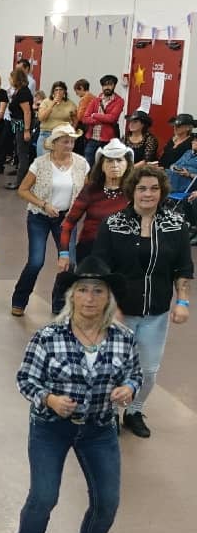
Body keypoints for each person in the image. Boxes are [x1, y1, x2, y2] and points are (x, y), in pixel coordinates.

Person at [13, 257, 141, 533]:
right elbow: (26, 379)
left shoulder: (122, 338)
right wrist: (50, 399)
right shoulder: (48, 336)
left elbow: (135, 374)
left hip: (99, 428)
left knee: (108, 499)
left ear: (108, 297)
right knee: (44, 495)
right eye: (82, 290)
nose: (89, 298)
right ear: (71, 296)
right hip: (50, 427)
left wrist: (128, 388)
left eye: (97, 291)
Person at [91, 165, 192, 437]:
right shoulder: (113, 224)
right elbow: (100, 268)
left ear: (162, 191)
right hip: (119, 312)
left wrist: (183, 301)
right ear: (132, 191)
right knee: (112, 367)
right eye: (142, 188)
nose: (148, 194)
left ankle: (134, 410)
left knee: (148, 370)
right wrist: (109, 306)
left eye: (154, 189)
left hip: (156, 312)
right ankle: (109, 413)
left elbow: (183, 267)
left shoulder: (176, 225)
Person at [10, 125, 89, 316]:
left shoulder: (81, 164)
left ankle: (59, 304)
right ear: (54, 144)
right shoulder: (40, 163)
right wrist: (43, 204)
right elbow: (23, 190)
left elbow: (87, 192)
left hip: (66, 220)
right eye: (65, 141)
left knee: (68, 263)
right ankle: (19, 300)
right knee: (36, 261)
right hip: (39, 217)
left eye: (72, 141)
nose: (69, 145)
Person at [53, 139, 133, 314]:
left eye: (120, 160)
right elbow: (68, 223)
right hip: (91, 253)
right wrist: (65, 254)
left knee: (118, 303)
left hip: (124, 254)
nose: (115, 165)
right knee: (90, 303)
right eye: (110, 161)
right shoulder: (91, 190)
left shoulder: (133, 192)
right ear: (101, 165)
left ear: (128, 164)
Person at [82, 75, 124, 163]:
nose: (107, 87)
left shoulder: (119, 101)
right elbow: (85, 119)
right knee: (88, 165)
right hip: (92, 139)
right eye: (104, 85)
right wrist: (100, 119)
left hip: (108, 140)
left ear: (114, 86)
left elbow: (112, 118)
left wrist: (94, 115)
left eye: (110, 85)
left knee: (105, 166)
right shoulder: (95, 100)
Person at [9, 68, 37, 187]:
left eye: (11, 78)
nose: (9, 80)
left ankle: (20, 181)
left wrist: (26, 130)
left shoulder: (23, 93)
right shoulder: (18, 91)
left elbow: (27, 112)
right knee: (19, 150)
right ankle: (20, 178)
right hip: (17, 123)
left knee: (22, 152)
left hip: (22, 124)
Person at [36, 81, 79, 157]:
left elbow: (75, 119)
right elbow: (41, 118)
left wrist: (72, 131)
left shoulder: (70, 104)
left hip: (62, 135)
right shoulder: (46, 102)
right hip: (46, 134)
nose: (58, 92)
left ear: (64, 91)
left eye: (61, 89)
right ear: (53, 92)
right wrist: (52, 104)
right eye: (56, 90)